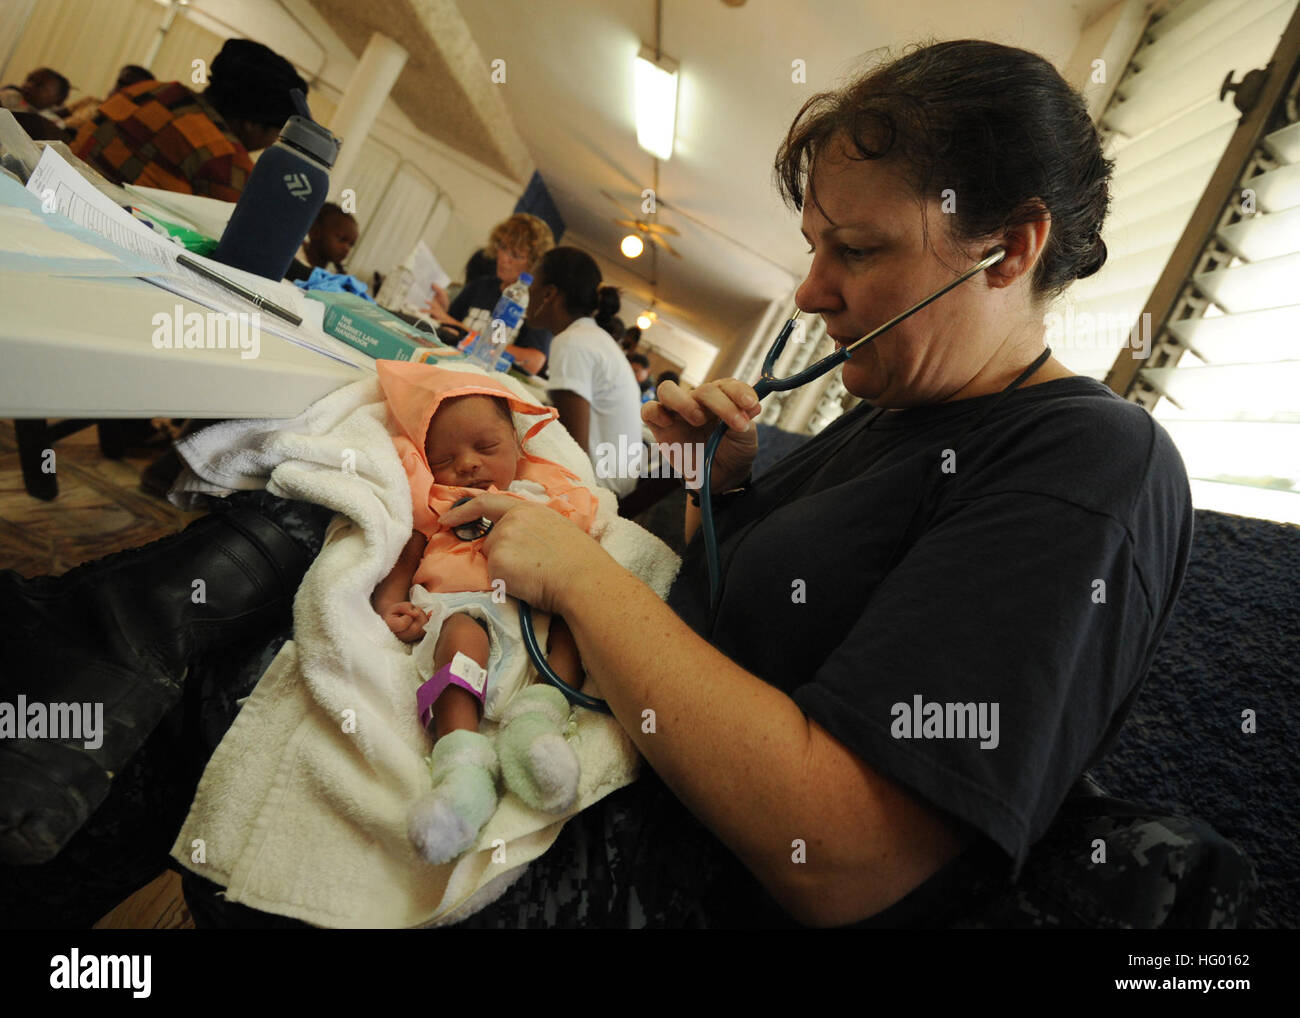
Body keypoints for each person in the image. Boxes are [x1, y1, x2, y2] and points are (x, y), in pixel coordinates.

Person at [1, 40, 1240, 930]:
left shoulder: (1090, 466)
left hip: (678, 867)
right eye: (815, 244)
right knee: (309, 529)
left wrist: (587, 577)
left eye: (855, 252)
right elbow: (752, 586)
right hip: (596, 738)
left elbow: (841, 857)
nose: (811, 292)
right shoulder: (897, 417)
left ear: (1009, 246)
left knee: (236, 630)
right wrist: (719, 481)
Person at [368, 363, 598, 864]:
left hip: (533, 610)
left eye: (486, 448)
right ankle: (462, 762)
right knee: (461, 635)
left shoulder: (546, 495)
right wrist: (392, 603)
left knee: (576, 626)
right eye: (446, 459)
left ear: (519, 446)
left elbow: (585, 555)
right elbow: (408, 553)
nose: (468, 465)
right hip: (463, 609)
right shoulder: (438, 504)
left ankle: (536, 721)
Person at [71, 38, 306, 201]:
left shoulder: (147, 90)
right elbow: (220, 246)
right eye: (277, 132)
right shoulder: (227, 158)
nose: (274, 141)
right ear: (253, 122)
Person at [528, 248, 645, 499]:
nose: (526, 290)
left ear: (549, 294)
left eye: (531, 281)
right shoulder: (590, 337)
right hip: (610, 483)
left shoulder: (572, 342)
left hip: (594, 488)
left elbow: (570, 449)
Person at [423, 214, 555, 374]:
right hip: (449, 366)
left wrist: (458, 326)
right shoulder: (481, 285)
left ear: (533, 264)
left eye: (516, 255)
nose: (504, 258)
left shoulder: (534, 303)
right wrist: (444, 310)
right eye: (503, 247)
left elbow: (533, 362)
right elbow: (448, 327)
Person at [58, 64, 154, 132]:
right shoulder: (90, 101)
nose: (122, 89)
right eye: (120, 83)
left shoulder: (122, 123)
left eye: (129, 87)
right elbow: (55, 114)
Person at [290, 202, 358, 276]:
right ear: (315, 231)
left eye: (351, 244)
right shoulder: (292, 258)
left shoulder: (332, 274)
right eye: (342, 239)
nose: (346, 249)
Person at [0, 67, 70, 119]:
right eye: (29, 80)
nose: (29, 85)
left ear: (58, 101)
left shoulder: (52, 120)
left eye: (40, 85)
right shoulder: (12, 96)